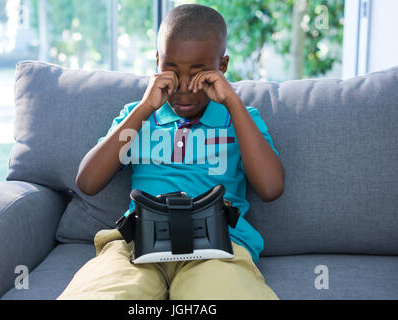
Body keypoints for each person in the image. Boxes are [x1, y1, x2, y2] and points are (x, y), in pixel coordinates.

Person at [57, 3, 284, 300]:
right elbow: (87, 182)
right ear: (157, 62)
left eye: (200, 73)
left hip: (218, 247)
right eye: (171, 70)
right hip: (138, 243)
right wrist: (144, 108)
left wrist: (232, 102)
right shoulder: (138, 116)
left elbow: (271, 187)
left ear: (222, 66)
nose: (185, 87)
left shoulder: (240, 118)